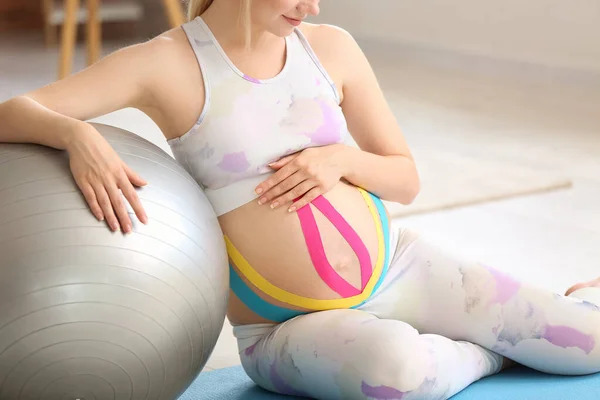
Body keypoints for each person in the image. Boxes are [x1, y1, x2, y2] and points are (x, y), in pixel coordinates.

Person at [1, 0, 599, 398]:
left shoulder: (330, 47)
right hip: (284, 326)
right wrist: (74, 133)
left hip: (399, 268)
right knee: (394, 373)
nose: (312, 6)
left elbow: (405, 178)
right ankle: (484, 354)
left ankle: (572, 305)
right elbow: (13, 111)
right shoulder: (165, 64)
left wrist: (339, 160)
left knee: (587, 346)